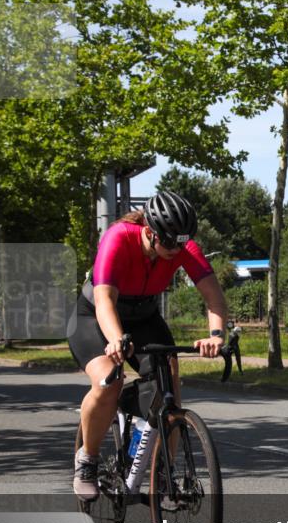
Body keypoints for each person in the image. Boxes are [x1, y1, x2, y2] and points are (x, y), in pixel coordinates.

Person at [67, 191, 229, 500]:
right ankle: (87, 460)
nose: (176, 250)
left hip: (144, 317)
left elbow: (214, 299)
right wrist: (115, 339)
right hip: (95, 315)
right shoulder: (119, 237)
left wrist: (216, 335)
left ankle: (162, 473)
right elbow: (104, 302)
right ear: (149, 232)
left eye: (182, 243)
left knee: (169, 387)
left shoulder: (183, 247)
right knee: (108, 382)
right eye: (169, 243)